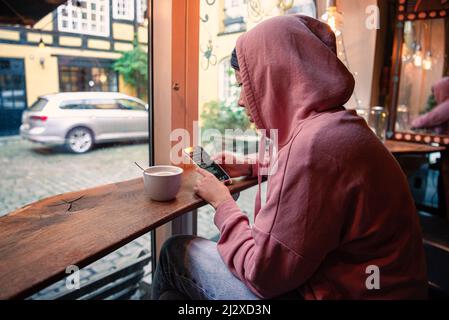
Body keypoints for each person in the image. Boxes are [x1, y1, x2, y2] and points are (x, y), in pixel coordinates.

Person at [151, 15, 428, 300]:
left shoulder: (314, 148)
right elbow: (327, 175)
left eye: (243, 85)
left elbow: (263, 274)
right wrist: (251, 164)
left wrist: (222, 202)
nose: (240, 100)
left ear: (274, 77)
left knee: (175, 252)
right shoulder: (340, 127)